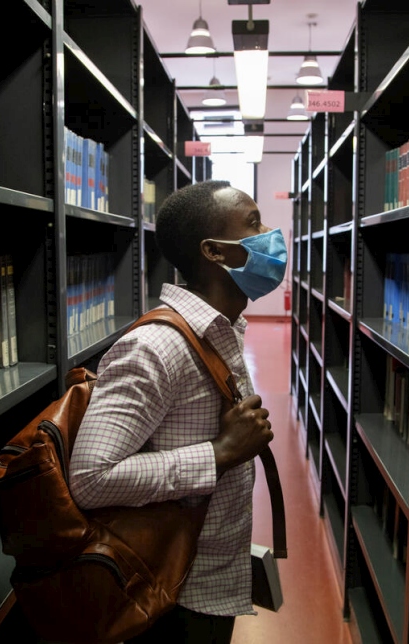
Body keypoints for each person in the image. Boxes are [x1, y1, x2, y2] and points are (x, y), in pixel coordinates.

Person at [68, 179, 288, 644]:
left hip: (209, 578)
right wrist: (219, 454)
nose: (271, 235)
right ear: (214, 252)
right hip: (171, 594)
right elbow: (89, 476)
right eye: (254, 224)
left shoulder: (219, 331)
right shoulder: (155, 348)